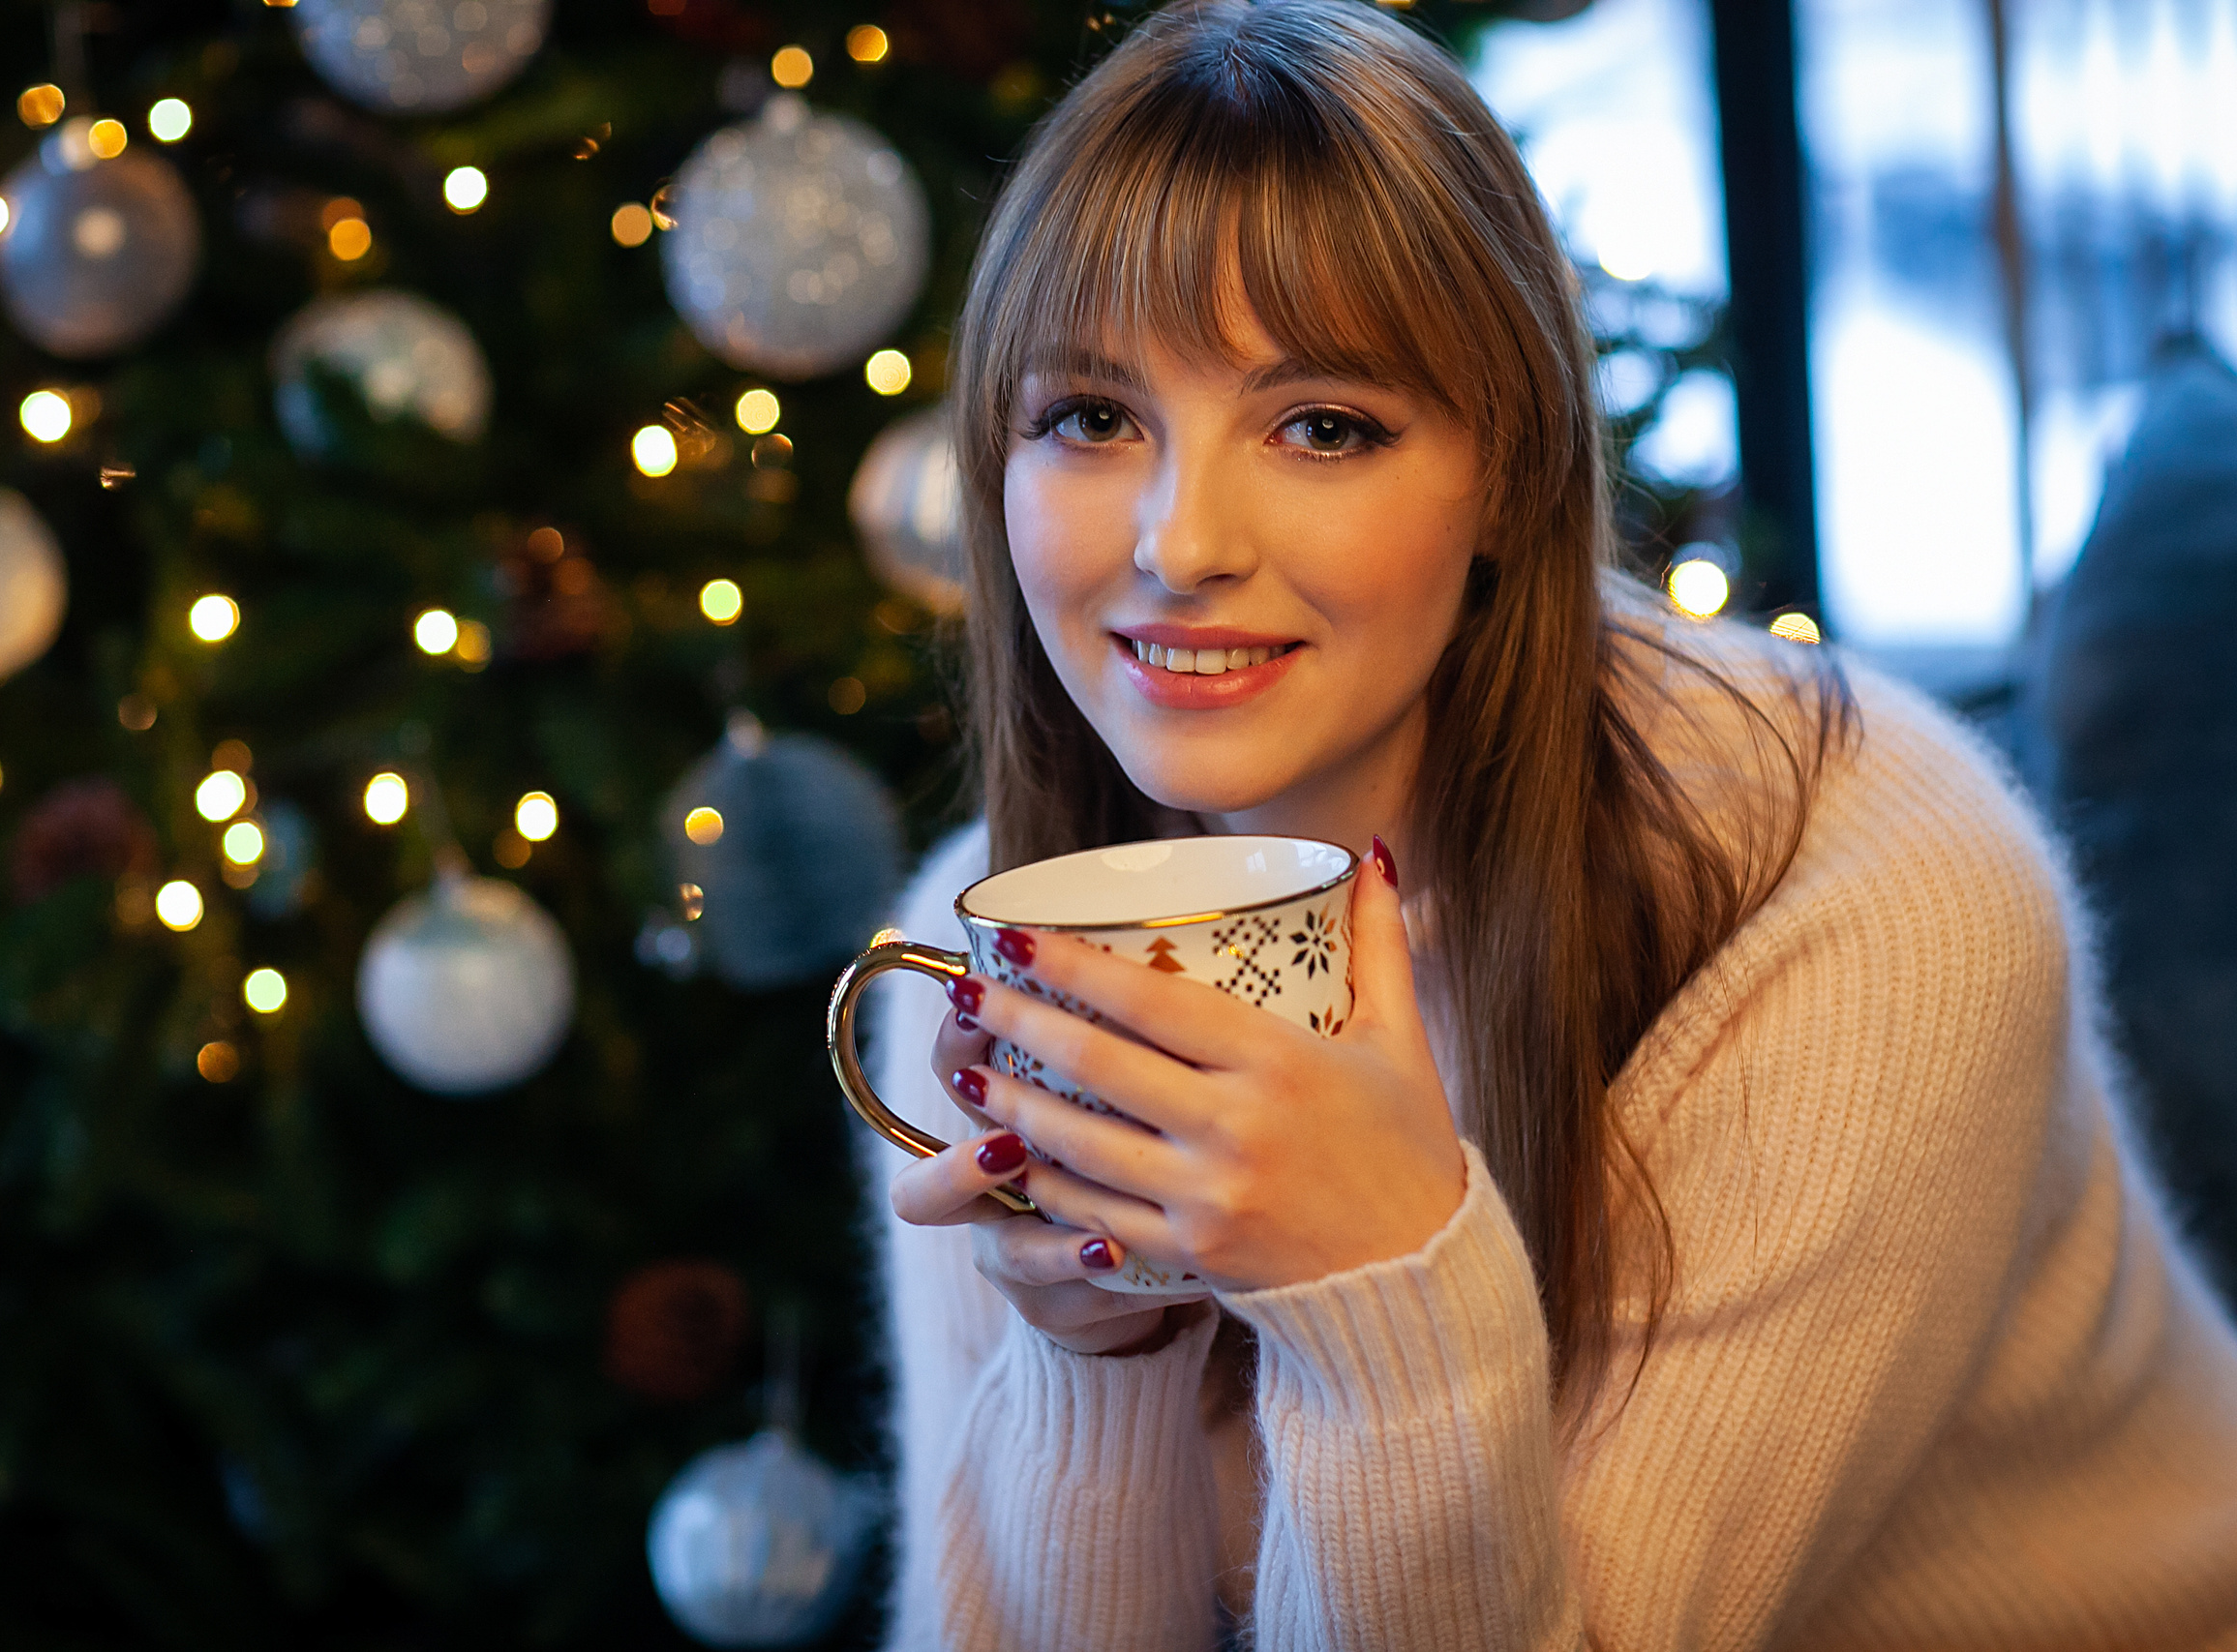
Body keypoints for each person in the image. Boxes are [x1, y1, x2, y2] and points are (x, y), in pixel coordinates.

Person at [857, 3, 2237, 1648]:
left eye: (1322, 426)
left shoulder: (1862, 889)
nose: (1181, 543)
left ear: (1507, 468)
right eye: (1090, 417)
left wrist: (1381, 1289)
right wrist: (1090, 1366)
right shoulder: (979, 953)